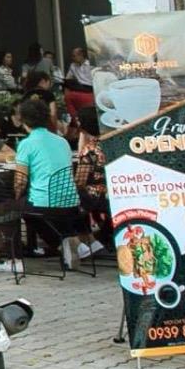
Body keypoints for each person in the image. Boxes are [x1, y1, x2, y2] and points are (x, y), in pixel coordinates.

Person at [6, 97, 95, 270]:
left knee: (12, 208)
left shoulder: (26, 144)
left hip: (45, 203)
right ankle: (70, 243)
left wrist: (16, 195)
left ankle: (14, 260)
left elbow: (20, 181)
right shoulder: (62, 141)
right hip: (71, 202)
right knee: (42, 209)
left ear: (23, 119)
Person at [66, 107, 111, 261]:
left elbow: (80, 180)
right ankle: (93, 241)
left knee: (71, 199)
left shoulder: (89, 149)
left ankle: (83, 243)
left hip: (96, 195)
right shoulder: (110, 141)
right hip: (111, 191)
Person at [63, 47, 97, 117]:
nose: (72, 58)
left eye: (74, 56)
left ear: (81, 55)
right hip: (78, 88)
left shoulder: (90, 65)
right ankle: (74, 118)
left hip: (90, 89)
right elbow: (68, 78)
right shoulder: (73, 65)